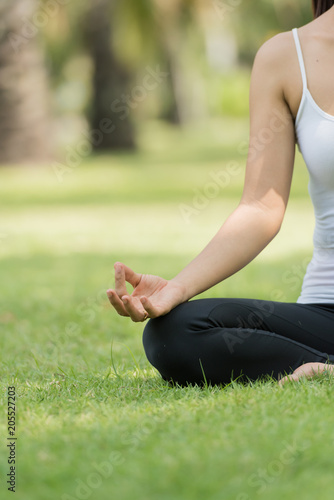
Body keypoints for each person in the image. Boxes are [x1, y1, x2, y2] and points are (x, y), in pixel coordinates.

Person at [107, 0, 334, 387]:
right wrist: (177, 288)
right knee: (173, 334)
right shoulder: (286, 56)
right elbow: (261, 205)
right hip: (325, 311)